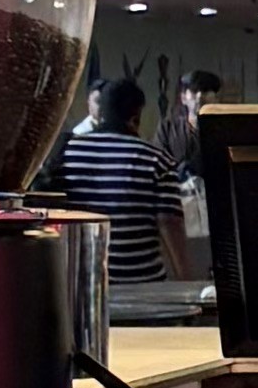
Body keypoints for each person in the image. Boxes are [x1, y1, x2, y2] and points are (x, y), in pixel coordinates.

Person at [56, 73, 180, 286]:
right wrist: (187, 281)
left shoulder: (66, 153)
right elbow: (170, 224)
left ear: (100, 112)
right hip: (144, 286)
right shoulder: (156, 160)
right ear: (136, 115)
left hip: (80, 285)